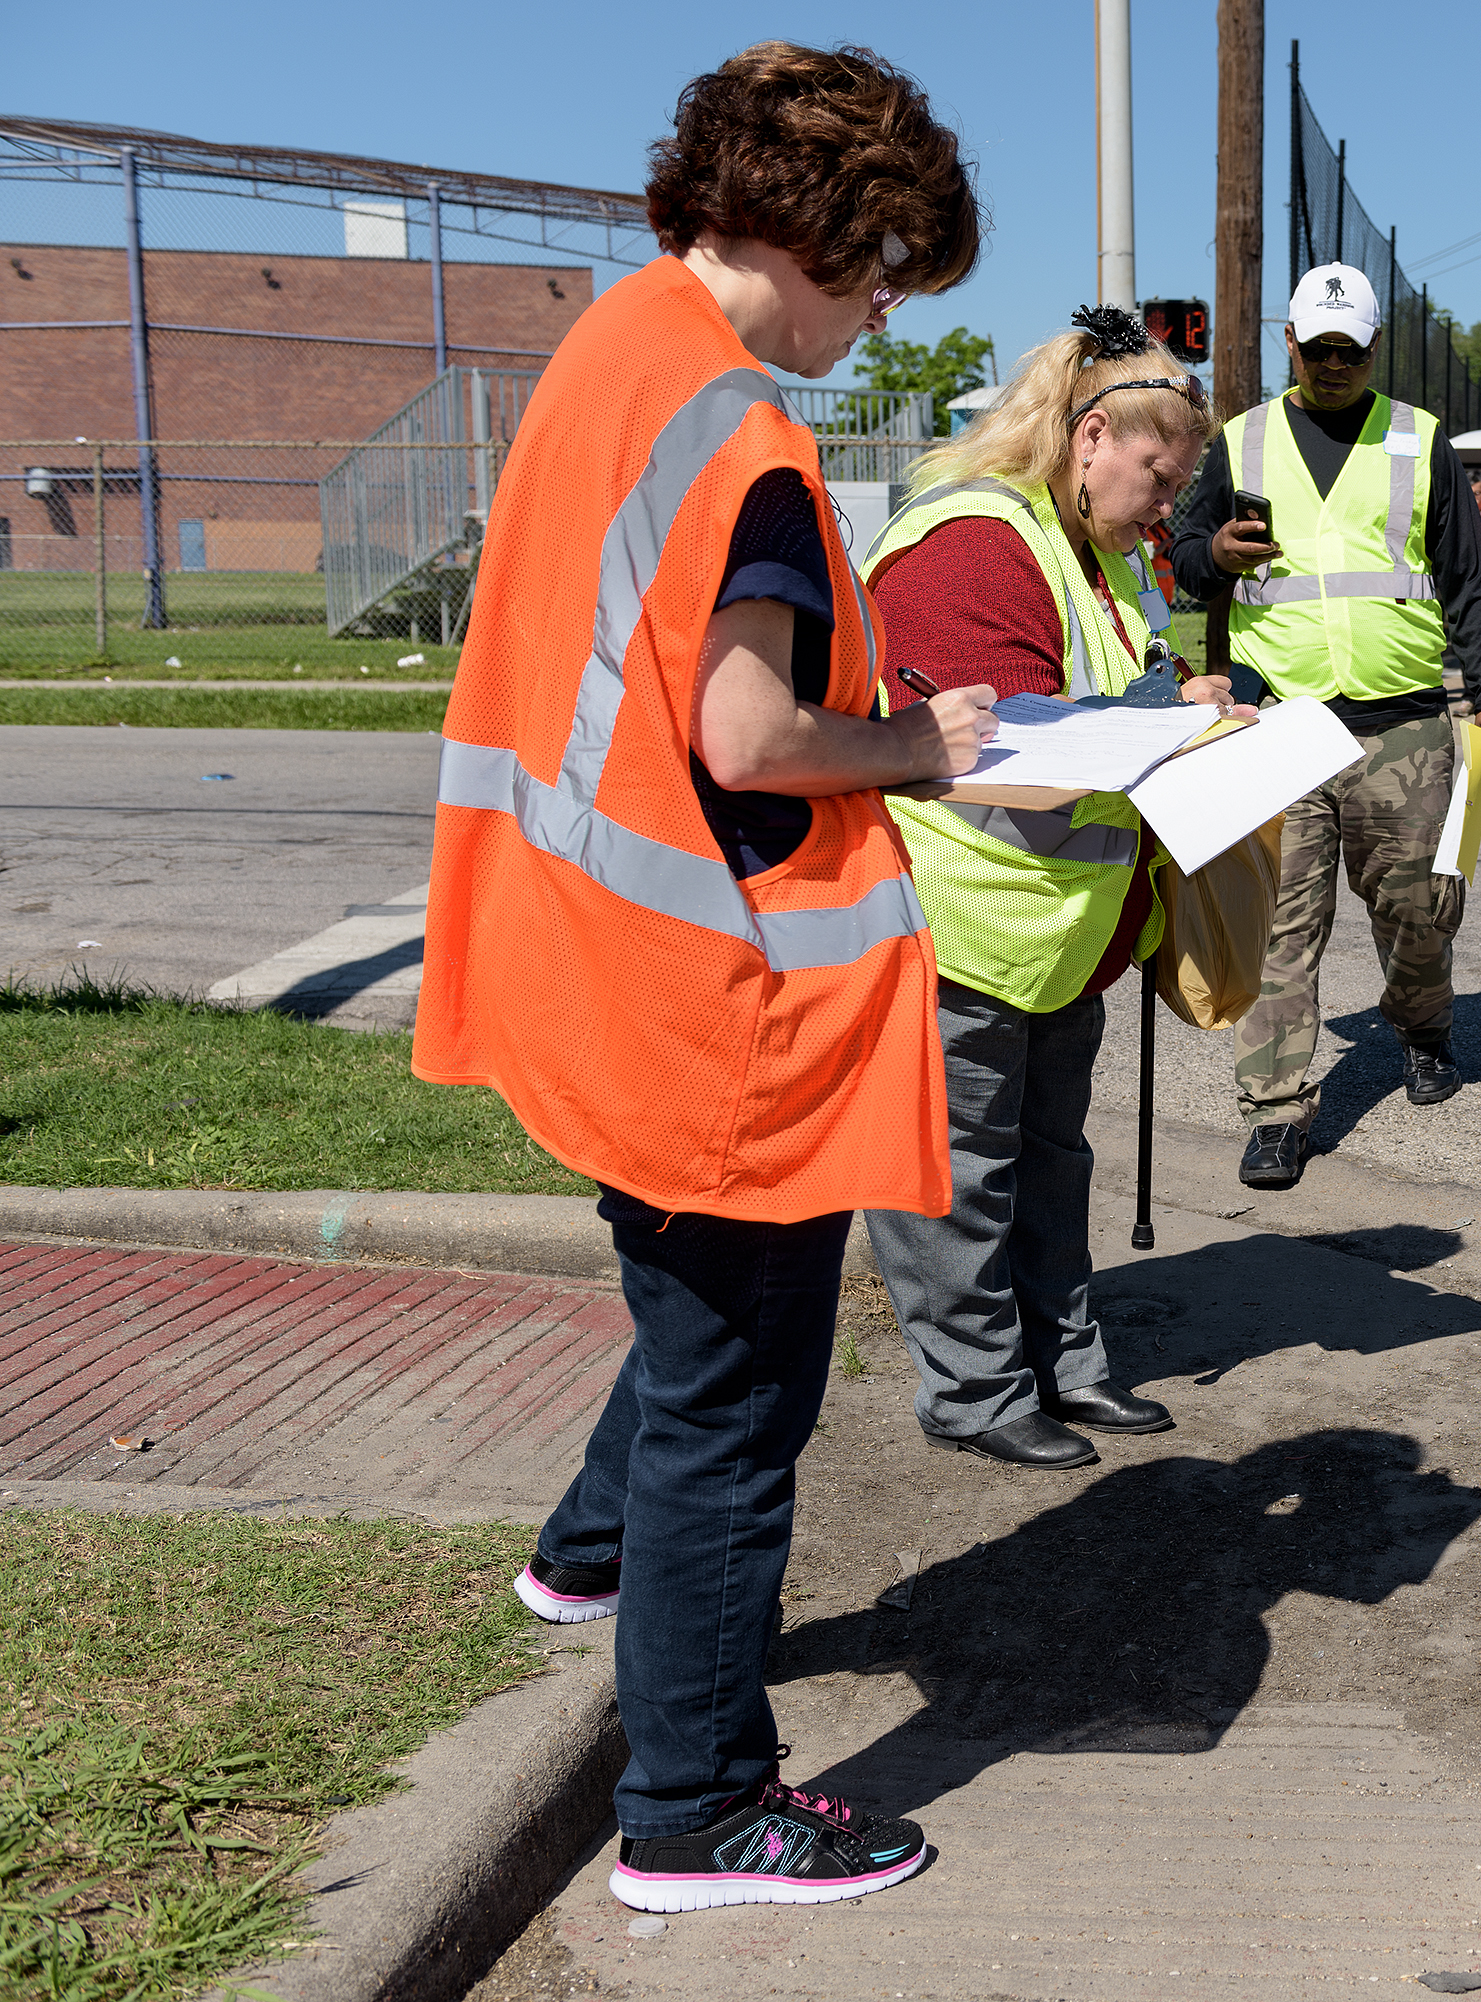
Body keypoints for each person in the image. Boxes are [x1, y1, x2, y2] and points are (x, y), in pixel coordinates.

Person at [415, 42, 992, 1911]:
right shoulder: (741, 431)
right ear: (825, 224)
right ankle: (695, 1805)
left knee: (687, 1355)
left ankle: (588, 1555)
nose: (889, 304)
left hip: (592, 955)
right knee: (735, 1406)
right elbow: (749, 736)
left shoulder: (617, 351)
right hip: (716, 1003)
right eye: (890, 262)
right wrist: (930, 749)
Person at [858, 307, 1246, 1471]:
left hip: (1056, 934)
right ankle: (974, 1392)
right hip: (964, 928)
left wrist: (1193, 706)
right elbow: (1015, 750)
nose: (1169, 504)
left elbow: (1111, 696)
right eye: (1157, 470)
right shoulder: (973, 541)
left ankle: (1063, 1365)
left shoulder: (1093, 554)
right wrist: (1162, 724)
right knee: (960, 1178)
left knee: (1046, 1163)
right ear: (1088, 437)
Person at [1169, 263, 1481, 1191]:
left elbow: (1466, 581)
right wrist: (1211, 550)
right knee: (1280, 925)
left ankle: (1423, 1030)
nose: (1333, 363)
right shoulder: (1240, 443)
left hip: (1402, 725)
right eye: (1317, 347)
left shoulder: (1419, 442)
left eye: (1350, 349)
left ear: (1373, 348)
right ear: (1289, 342)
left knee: (1417, 907)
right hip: (1277, 727)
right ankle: (1275, 1108)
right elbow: (1178, 562)